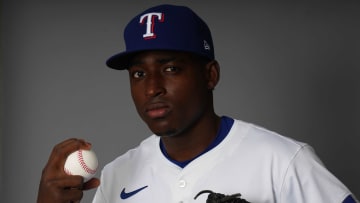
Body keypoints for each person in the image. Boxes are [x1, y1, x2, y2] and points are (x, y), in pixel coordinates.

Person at [37, 4, 358, 203]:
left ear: (210, 74)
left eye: (171, 68)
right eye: (138, 73)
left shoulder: (284, 162)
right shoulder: (117, 175)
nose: (152, 88)